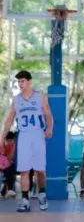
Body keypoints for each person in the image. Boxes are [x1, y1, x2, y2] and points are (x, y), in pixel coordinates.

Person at [0, 70, 53, 212]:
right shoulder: (16, 100)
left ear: (29, 82)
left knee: (39, 169)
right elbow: (9, 120)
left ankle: (42, 194)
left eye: (22, 81)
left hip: (37, 135)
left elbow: (48, 114)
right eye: (18, 81)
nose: (20, 84)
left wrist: (49, 129)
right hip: (23, 136)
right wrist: (1, 138)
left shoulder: (40, 96)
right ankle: (25, 200)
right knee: (24, 170)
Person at [0, 131, 17, 198]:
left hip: (13, 165)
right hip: (6, 165)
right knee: (7, 171)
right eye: (8, 141)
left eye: (11, 140)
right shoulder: (5, 147)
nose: (10, 142)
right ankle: (7, 191)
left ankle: (7, 190)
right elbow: (7, 158)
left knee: (8, 171)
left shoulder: (16, 146)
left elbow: (11, 158)